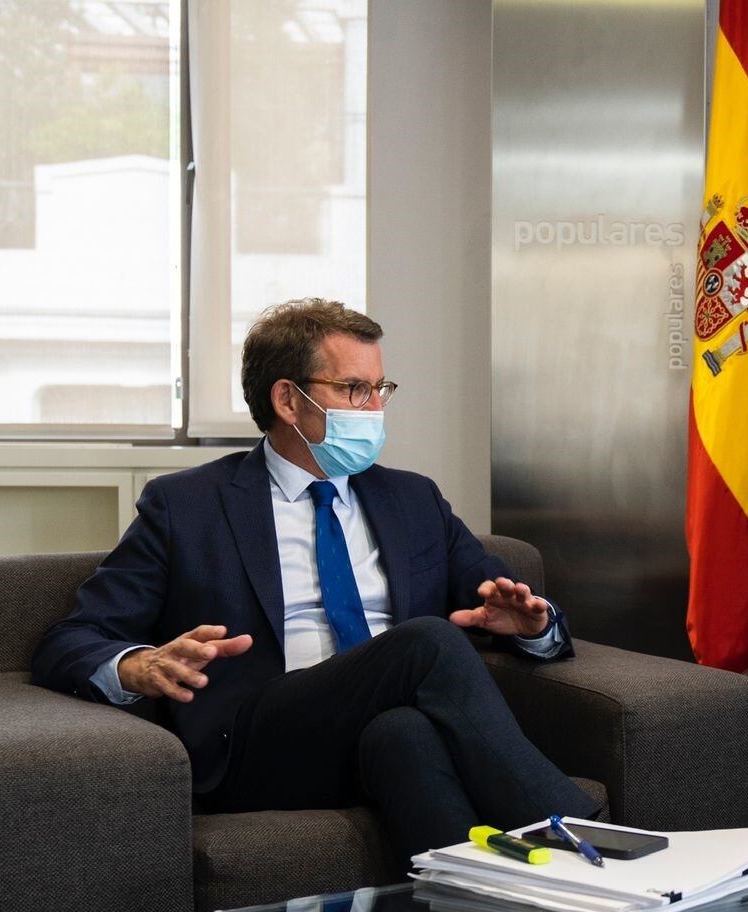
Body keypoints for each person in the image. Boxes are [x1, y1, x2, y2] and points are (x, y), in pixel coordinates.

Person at [31, 299, 603, 877]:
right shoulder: (186, 506)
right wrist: (139, 666)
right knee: (426, 641)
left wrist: (533, 627)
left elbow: (501, 598)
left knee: (403, 733)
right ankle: (584, 835)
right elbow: (72, 637)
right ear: (288, 400)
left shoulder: (413, 500)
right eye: (355, 389)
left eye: (381, 389)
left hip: (373, 735)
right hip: (259, 745)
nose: (375, 408)